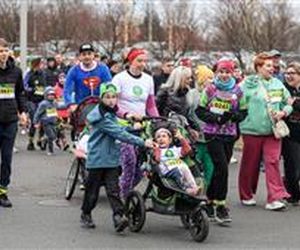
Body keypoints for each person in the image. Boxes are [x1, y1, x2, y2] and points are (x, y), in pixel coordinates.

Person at [80, 83, 153, 232]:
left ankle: (118, 217)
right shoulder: (99, 116)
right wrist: (142, 142)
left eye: (114, 97)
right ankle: (86, 213)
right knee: (92, 192)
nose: (112, 100)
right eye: (107, 97)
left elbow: (118, 128)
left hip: (111, 159)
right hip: (98, 159)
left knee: (113, 190)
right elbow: (117, 133)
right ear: (101, 99)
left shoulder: (109, 113)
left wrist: (132, 127)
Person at [195, 59, 247, 224]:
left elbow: (244, 111)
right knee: (222, 168)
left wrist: (235, 116)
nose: (224, 75)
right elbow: (200, 111)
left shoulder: (238, 91)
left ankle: (210, 202)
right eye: (221, 72)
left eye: (227, 72)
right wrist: (216, 118)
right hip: (212, 134)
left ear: (232, 73)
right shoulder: (210, 89)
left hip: (229, 134)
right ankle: (222, 206)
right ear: (216, 72)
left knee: (219, 170)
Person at [239, 52, 292, 211]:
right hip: (251, 130)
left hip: (273, 131)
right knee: (250, 164)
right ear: (258, 67)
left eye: (273, 66)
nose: (272, 68)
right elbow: (237, 102)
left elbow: (288, 103)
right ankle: (246, 194)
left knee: (273, 162)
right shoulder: (248, 83)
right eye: (268, 66)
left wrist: (283, 113)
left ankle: (274, 198)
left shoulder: (278, 84)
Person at [112, 47, 159, 198]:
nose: (142, 64)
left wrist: (157, 122)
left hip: (141, 128)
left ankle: (121, 191)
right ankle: (122, 197)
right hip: (122, 128)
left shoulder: (148, 79)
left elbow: (150, 105)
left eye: (145, 61)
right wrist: (127, 115)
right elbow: (112, 104)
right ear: (130, 61)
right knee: (130, 162)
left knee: (141, 169)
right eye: (139, 60)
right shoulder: (119, 78)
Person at [0, 38, 27, 207]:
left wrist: (23, 112)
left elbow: (20, 94)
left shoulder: (16, 71)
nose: (2, 54)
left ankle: (3, 191)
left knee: (7, 158)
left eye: (4, 50)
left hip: (10, 120)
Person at [153, 128, 200, 196]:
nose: (161, 139)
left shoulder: (175, 149)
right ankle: (186, 189)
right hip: (168, 170)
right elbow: (157, 159)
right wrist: (156, 148)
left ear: (170, 140)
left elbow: (187, 150)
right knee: (177, 171)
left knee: (185, 168)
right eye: (158, 137)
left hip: (179, 166)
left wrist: (181, 138)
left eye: (164, 136)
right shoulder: (158, 150)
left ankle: (194, 187)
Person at [64, 43, 112, 107]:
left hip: (100, 106)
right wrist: (70, 104)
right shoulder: (74, 71)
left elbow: (109, 86)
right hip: (81, 107)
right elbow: (67, 90)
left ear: (93, 55)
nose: (87, 57)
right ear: (80, 56)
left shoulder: (103, 69)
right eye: (84, 54)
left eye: (89, 54)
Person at [282, 62, 300, 205]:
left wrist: (294, 104)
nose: (288, 76)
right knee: (292, 166)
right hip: (290, 134)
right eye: (287, 73)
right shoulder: (283, 89)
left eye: (292, 73)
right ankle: (293, 194)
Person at [24, 57, 47, 150]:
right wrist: (32, 90)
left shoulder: (43, 74)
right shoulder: (29, 74)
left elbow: (46, 85)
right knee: (34, 120)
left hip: (42, 100)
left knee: (43, 120)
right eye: (40, 64)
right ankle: (30, 141)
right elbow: (24, 86)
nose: (42, 66)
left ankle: (40, 140)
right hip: (31, 100)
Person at [33, 87, 58, 156]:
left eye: (53, 95)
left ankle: (44, 138)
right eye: (49, 95)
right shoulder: (43, 104)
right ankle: (50, 151)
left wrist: (68, 105)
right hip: (46, 122)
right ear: (46, 95)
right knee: (51, 136)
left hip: (53, 122)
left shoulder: (54, 103)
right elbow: (38, 113)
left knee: (54, 136)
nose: (51, 96)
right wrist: (35, 122)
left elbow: (59, 107)